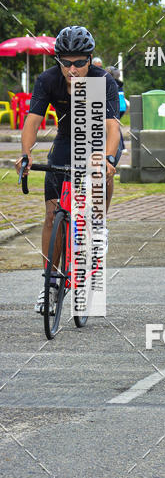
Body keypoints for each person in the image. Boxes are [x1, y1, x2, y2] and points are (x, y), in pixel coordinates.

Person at [16, 26, 122, 313]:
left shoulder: (103, 81)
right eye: (66, 62)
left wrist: (108, 159)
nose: (72, 69)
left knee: (102, 171)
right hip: (67, 138)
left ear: (90, 60)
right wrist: (25, 156)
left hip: (100, 137)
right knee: (52, 213)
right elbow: (32, 121)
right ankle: (50, 284)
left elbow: (113, 128)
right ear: (58, 61)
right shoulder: (48, 80)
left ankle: (99, 223)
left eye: (79, 62)